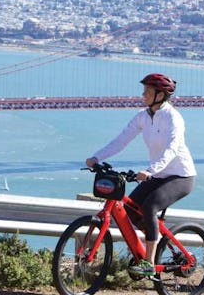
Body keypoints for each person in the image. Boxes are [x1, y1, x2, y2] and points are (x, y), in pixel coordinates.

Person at [85, 73, 197, 277]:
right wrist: (96, 157)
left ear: (161, 95)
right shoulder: (143, 116)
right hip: (159, 175)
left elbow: (172, 149)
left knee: (150, 206)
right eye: (144, 90)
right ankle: (157, 243)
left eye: (148, 91)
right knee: (129, 209)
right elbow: (121, 140)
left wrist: (150, 171)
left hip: (181, 176)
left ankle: (149, 263)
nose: (143, 94)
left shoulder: (174, 118)